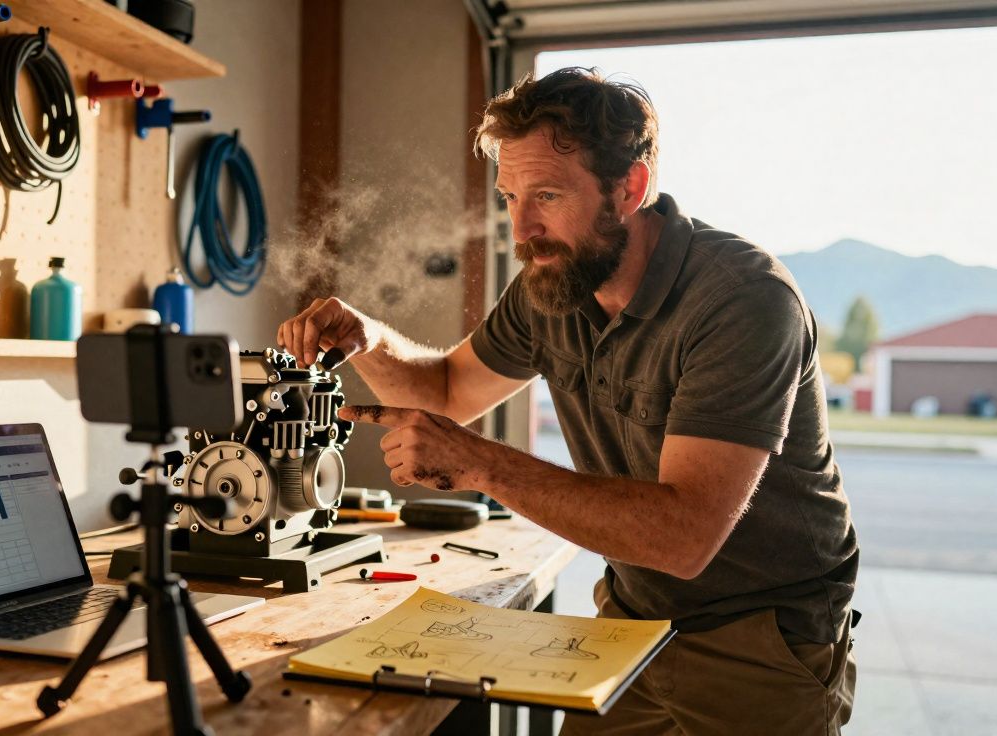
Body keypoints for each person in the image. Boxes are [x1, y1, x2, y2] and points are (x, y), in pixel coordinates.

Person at [277, 67, 857, 735]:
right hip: (633, 618)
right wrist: (367, 337)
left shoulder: (742, 300)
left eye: (547, 194)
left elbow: (684, 535)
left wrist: (480, 466)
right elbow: (446, 392)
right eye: (510, 196)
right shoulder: (552, 285)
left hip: (760, 640)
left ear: (630, 189)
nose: (523, 229)